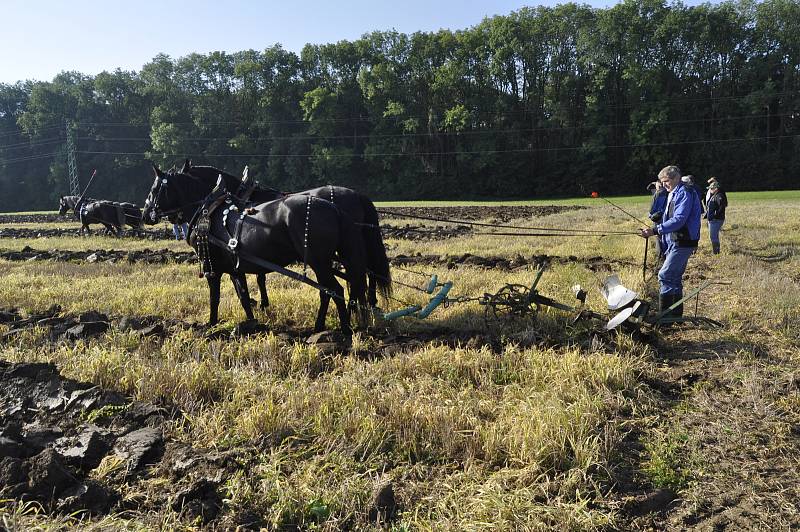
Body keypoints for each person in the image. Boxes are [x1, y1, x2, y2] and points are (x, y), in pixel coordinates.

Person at [640, 165, 702, 317]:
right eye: (662, 182)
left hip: (682, 240)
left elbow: (680, 219)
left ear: (676, 178)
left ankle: (664, 318)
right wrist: (659, 218)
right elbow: (671, 216)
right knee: (674, 278)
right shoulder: (673, 193)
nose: (663, 185)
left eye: (666, 181)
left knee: (665, 275)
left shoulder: (684, 193)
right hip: (675, 241)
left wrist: (655, 230)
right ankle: (675, 317)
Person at [647, 181, 668, 260]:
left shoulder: (658, 193)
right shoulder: (672, 192)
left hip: (659, 221)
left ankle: (660, 258)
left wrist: (651, 215)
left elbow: (652, 210)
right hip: (669, 222)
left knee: (659, 240)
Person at [705, 181, 727, 254]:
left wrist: (715, 216)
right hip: (714, 219)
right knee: (713, 236)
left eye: (712, 188)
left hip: (716, 220)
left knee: (713, 236)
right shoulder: (715, 195)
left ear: (716, 188)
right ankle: (716, 251)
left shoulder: (719, 196)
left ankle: (716, 252)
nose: (710, 190)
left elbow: (721, 207)